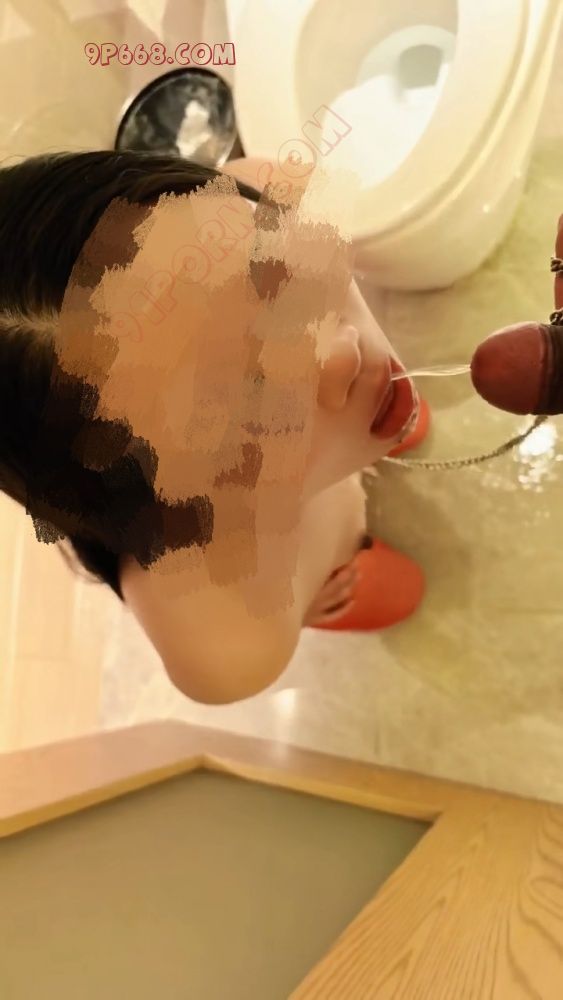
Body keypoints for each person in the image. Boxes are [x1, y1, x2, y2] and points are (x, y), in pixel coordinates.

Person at [0, 149, 426, 705]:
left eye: (272, 273)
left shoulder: (252, 188)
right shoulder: (226, 645)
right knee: (404, 592)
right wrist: (303, 602)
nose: (344, 354)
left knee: (403, 413)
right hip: (326, 566)